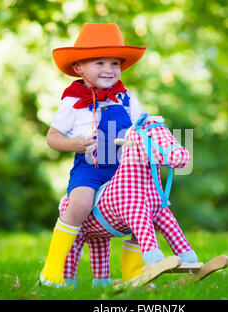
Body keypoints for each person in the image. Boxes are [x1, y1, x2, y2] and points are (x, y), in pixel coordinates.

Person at [40, 23, 146, 287]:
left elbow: (144, 130)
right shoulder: (72, 102)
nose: (109, 70)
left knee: (147, 209)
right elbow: (51, 137)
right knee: (80, 204)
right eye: (100, 63)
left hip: (123, 170)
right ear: (79, 68)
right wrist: (74, 143)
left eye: (114, 63)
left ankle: (133, 275)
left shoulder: (127, 99)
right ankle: (51, 270)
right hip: (90, 166)